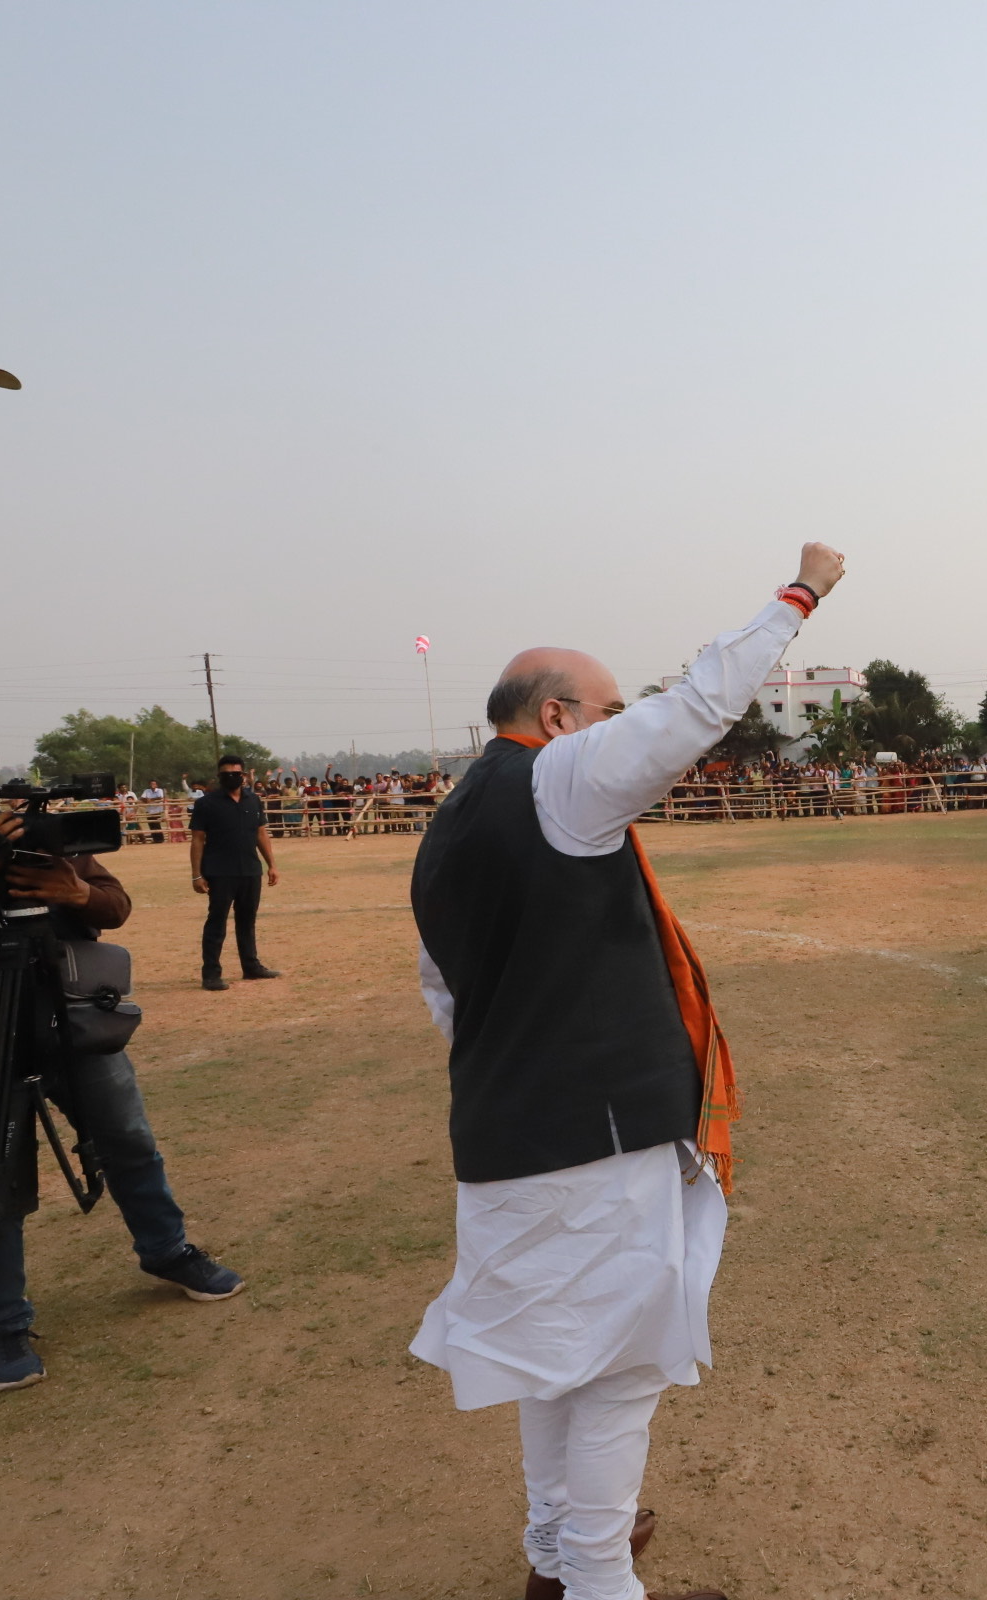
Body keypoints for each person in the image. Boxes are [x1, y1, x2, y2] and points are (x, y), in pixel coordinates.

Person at [410, 542, 845, 1600]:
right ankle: (599, 1581)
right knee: (617, 1375)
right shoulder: (556, 777)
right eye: (604, 711)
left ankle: (557, 1561)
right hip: (588, 1143)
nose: (616, 729)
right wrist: (798, 598)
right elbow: (692, 709)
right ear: (556, 717)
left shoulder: (448, 826)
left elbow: (446, 998)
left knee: (557, 1365)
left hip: (513, 1137)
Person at [0, 720, 243, 1393]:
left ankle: (168, 1250)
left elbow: (113, 903)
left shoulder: (31, 830)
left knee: (128, 1141)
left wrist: (76, 893)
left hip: (68, 1022)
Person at [188, 754, 281, 991]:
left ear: (243, 775)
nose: (232, 777)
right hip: (219, 872)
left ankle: (251, 966)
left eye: (236, 773)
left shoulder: (253, 800)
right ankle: (211, 974)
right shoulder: (206, 804)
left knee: (247, 920)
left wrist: (271, 864)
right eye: (226, 773)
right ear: (219, 776)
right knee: (216, 922)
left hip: (250, 870)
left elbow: (261, 833)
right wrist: (197, 875)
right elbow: (198, 840)